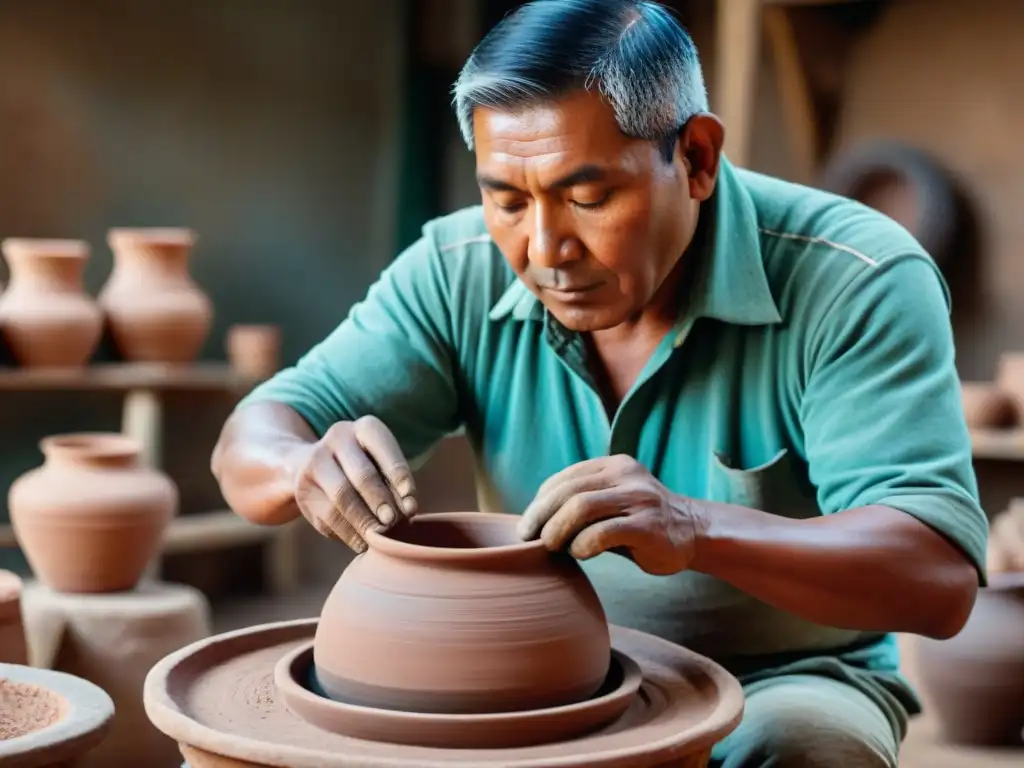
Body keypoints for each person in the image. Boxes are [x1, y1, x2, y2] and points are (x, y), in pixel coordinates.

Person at [211, 1, 987, 765]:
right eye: (507, 200)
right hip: (523, 679)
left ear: (697, 159)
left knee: (802, 747)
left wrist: (694, 528)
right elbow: (254, 440)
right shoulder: (454, 273)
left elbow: (936, 576)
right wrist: (298, 464)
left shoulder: (856, 278)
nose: (545, 247)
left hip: (780, 677)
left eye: (588, 197)